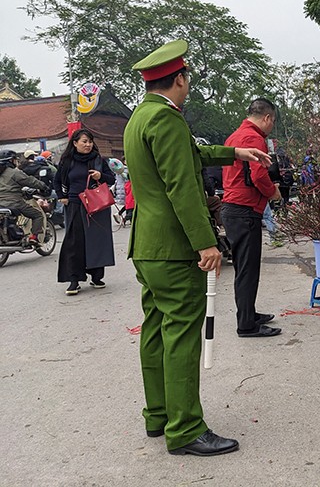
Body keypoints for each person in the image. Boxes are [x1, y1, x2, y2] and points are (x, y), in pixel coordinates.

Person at [124, 39, 270, 457]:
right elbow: (182, 186)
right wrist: (206, 243)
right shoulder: (168, 120)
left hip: (147, 247)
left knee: (155, 329)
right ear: (180, 79)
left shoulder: (142, 117)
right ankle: (185, 428)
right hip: (172, 247)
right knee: (183, 333)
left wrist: (235, 151)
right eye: (188, 80)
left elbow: (190, 155)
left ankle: (159, 414)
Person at [222, 98, 283, 338]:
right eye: (273, 121)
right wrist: (273, 192)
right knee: (248, 269)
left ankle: (248, 313)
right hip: (244, 209)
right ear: (267, 118)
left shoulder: (234, 136)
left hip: (234, 208)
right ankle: (246, 324)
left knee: (243, 267)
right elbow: (259, 176)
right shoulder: (255, 139)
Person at [54, 129, 116, 295]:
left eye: (89, 141)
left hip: (96, 205)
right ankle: (74, 280)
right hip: (75, 204)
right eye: (84, 142)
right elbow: (57, 180)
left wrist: (99, 176)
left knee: (96, 241)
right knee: (74, 242)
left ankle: (96, 277)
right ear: (75, 143)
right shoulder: (67, 161)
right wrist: (62, 197)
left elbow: (111, 179)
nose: (88, 145)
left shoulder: (98, 160)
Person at [0, 150, 49, 244]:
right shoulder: (14, 172)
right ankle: (34, 238)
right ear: (11, 161)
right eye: (15, 159)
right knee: (37, 215)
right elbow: (30, 181)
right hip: (14, 203)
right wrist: (43, 186)